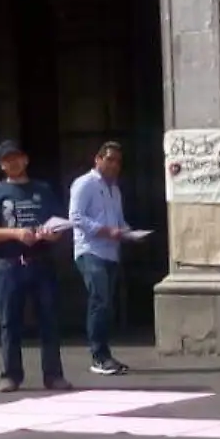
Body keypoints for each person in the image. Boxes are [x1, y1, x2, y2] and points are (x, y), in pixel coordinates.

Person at [0, 139, 71, 393]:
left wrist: (52, 234)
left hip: (42, 260)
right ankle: (10, 374)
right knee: (9, 321)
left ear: (25, 159)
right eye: (7, 160)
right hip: (10, 263)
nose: (13, 162)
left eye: (17, 157)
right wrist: (16, 234)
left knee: (49, 319)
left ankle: (53, 374)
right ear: (1, 165)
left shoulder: (43, 189)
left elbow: (59, 222)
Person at [69, 141, 135, 376]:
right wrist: (106, 231)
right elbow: (76, 217)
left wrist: (127, 232)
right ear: (97, 160)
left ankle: (105, 354)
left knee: (106, 304)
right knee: (99, 299)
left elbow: (118, 219)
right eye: (109, 159)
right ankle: (99, 356)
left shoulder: (114, 189)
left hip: (111, 252)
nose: (113, 165)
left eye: (117, 161)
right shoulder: (85, 184)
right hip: (90, 250)